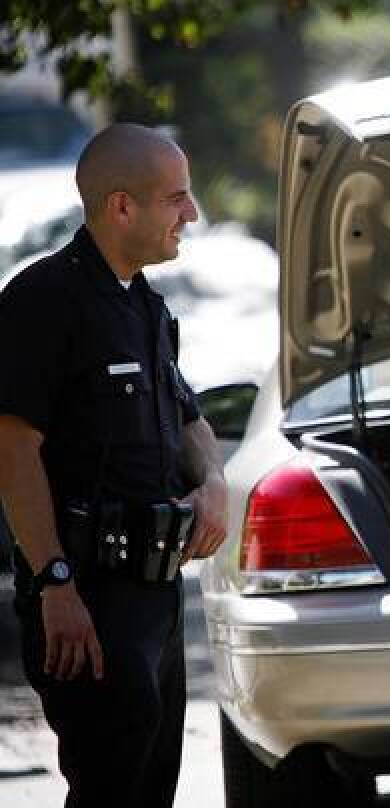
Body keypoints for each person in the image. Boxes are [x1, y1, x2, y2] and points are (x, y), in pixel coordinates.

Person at [0, 123, 228, 807]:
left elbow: (190, 419)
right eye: (176, 200)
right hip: (87, 596)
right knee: (110, 787)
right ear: (121, 206)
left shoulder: (145, 306)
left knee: (151, 784)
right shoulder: (43, 303)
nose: (190, 215)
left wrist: (213, 483)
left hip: (155, 595)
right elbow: (12, 452)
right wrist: (55, 583)